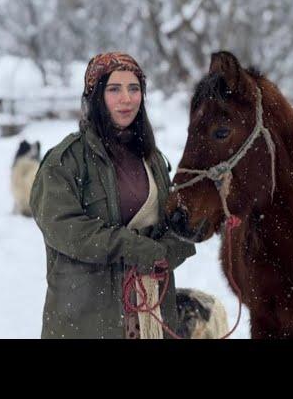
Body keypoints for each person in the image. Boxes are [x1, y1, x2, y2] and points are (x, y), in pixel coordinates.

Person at [30, 52, 196, 339]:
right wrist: (131, 247)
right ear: (96, 96)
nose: (127, 99)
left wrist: (171, 249)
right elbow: (64, 228)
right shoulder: (65, 161)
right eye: (114, 89)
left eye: (134, 89)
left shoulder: (152, 158)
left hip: (151, 316)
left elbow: (171, 223)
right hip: (87, 320)